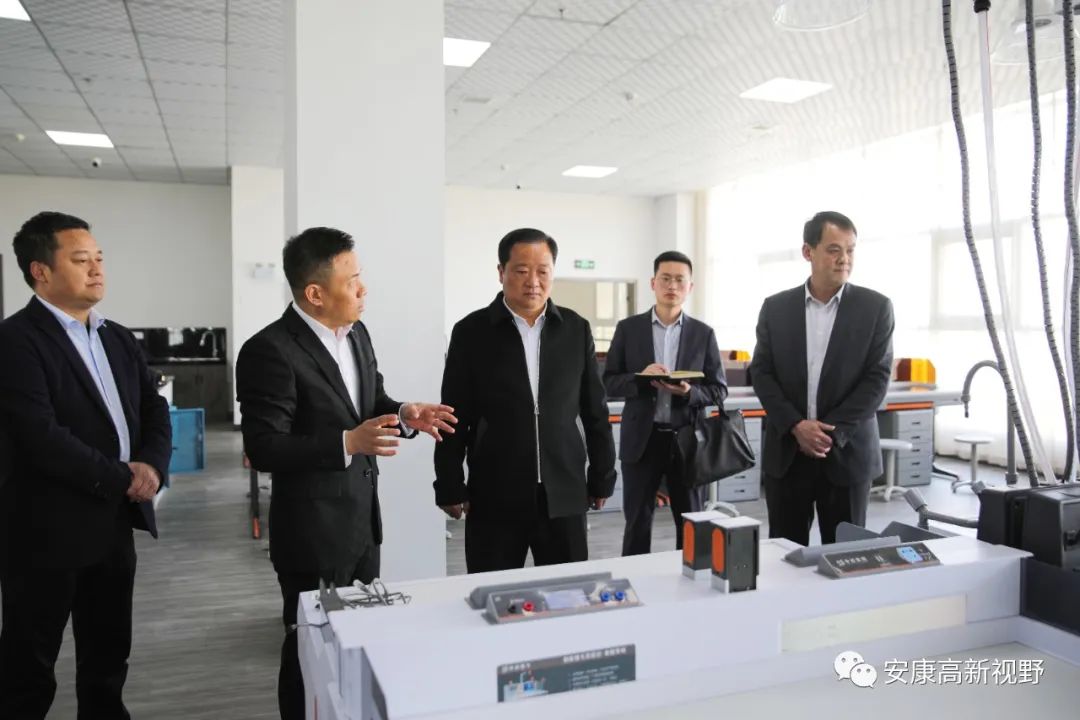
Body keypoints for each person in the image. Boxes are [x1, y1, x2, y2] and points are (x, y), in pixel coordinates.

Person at [235, 226, 455, 720]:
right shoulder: (270, 350)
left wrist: (403, 414)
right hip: (310, 533)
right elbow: (264, 446)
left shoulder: (357, 333)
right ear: (315, 294)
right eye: (352, 280)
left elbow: (369, 404)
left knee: (358, 644)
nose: (363, 288)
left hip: (361, 525)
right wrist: (346, 443)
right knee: (308, 652)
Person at [0, 211, 172, 720]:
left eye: (99, 258)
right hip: (44, 533)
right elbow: (40, 435)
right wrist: (124, 477)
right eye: (81, 260)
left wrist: (152, 466)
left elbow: (154, 409)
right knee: (28, 669)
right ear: (41, 271)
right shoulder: (15, 341)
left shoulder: (117, 337)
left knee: (108, 658)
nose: (97, 269)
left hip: (112, 525)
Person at [433, 228, 616, 573]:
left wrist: (603, 474)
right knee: (491, 591)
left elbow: (596, 411)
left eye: (543, 271)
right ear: (501, 272)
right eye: (521, 270)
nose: (533, 281)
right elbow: (452, 415)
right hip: (495, 492)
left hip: (564, 490)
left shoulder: (575, 330)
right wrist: (449, 483)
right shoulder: (472, 332)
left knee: (568, 590)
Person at [749, 211, 894, 546]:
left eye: (850, 250)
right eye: (833, 249)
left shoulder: (876, 308)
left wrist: (830, 433)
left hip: (847, 454)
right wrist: (796, 425)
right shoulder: (776, 308)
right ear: (808, 251)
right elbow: (762, 372)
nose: (844, 259)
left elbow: (877, 378)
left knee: (847, 556)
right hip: (789, 454)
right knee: (784, 555)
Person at [603, 251, 727, 555]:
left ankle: (691, 578)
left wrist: (689, 392)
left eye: (679, 280)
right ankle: (634, 578)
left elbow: (718, 390)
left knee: (692, 524)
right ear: (653, 283)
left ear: (690, 287)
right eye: (666, 278)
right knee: (637, 523)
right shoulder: (628, 329)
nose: (672, 286)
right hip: (642, 442)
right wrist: (640, 379)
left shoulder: (703, 333)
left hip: (687, 441)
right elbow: (609, 382)